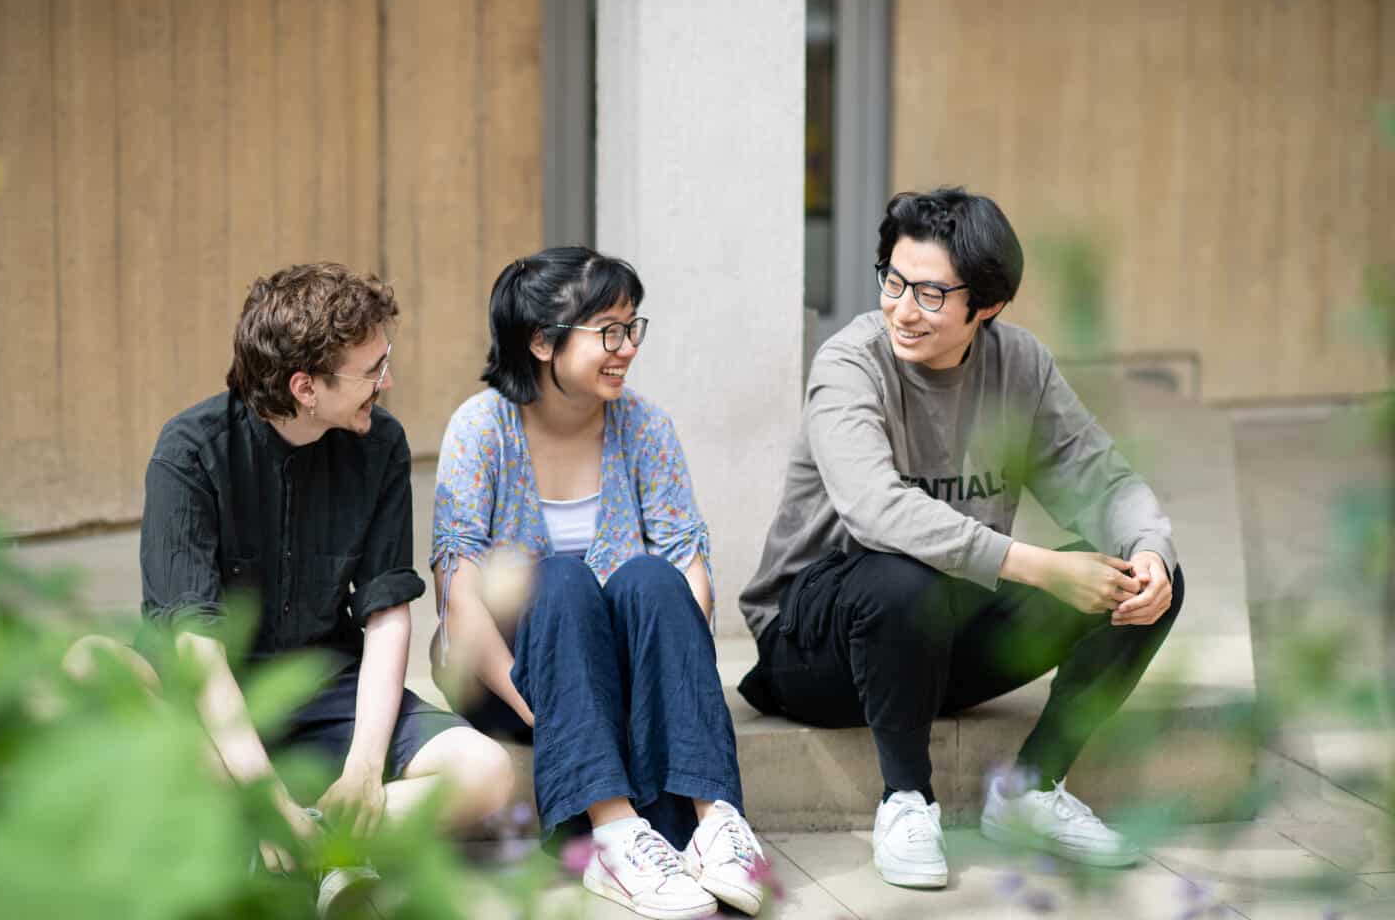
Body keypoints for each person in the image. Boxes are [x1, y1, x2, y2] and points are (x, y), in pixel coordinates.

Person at [736, 188, 1183, 889]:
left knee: (1146, 575)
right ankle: (907, 799)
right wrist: (1031, 564)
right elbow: (875, 510)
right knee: (902, 573)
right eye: (893, 281)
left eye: (931, 293)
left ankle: (1030, 791)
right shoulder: (850, 364)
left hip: (938, 638)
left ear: (988, 305)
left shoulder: (1019, 365)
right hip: (815, 648)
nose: (903, 309)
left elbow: (1101, 479)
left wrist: (1150, 549)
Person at [66, 262, 513, 915]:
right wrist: (264, 792)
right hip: (208, 707)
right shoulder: (189, 452)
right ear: (306, 386)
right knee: (87, 665)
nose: (386, 382)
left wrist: (363, 767)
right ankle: (290, 835)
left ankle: (275, 846)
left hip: (325, 693)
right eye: (372, 370)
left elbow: (387, 614)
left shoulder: (381, 444)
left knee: (489, 775)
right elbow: (196, 645)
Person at [431, 247, 764, 919]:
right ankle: (613, 835)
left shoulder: (644, 427)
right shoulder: (481, 429)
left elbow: (689, 577)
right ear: (543, 341)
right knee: (557, 578)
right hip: (507, 674)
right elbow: (460, 600)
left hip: (620, 682)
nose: (628, 348)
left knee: (651, 575)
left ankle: (717, 823)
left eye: (633, 327)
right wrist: (558, 717)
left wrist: (649, 698)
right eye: (609, 331)